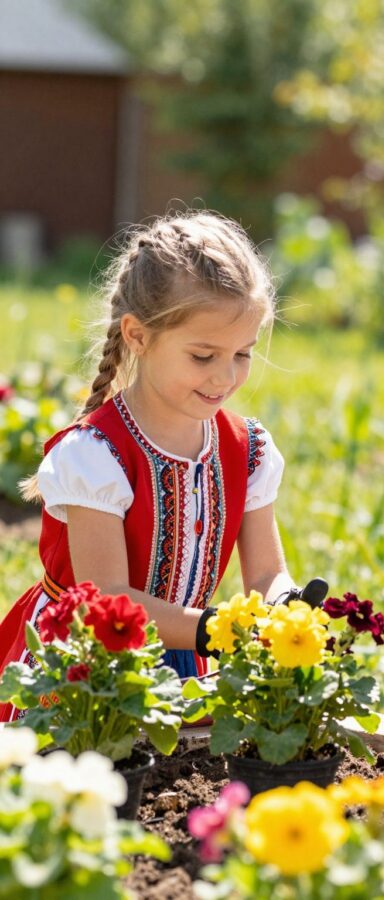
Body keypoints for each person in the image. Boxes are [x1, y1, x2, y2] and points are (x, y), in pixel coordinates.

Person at [0, 212, 296, 722]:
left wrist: (286, 605)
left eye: (243, 354)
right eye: (203, 355)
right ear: (137, 336)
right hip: (85, 663)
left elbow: (267, 571)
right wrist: (218, 628)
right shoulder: (95, 455)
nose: (225, 376)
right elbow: (106, 600)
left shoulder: (247, 451)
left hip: (185, 654)